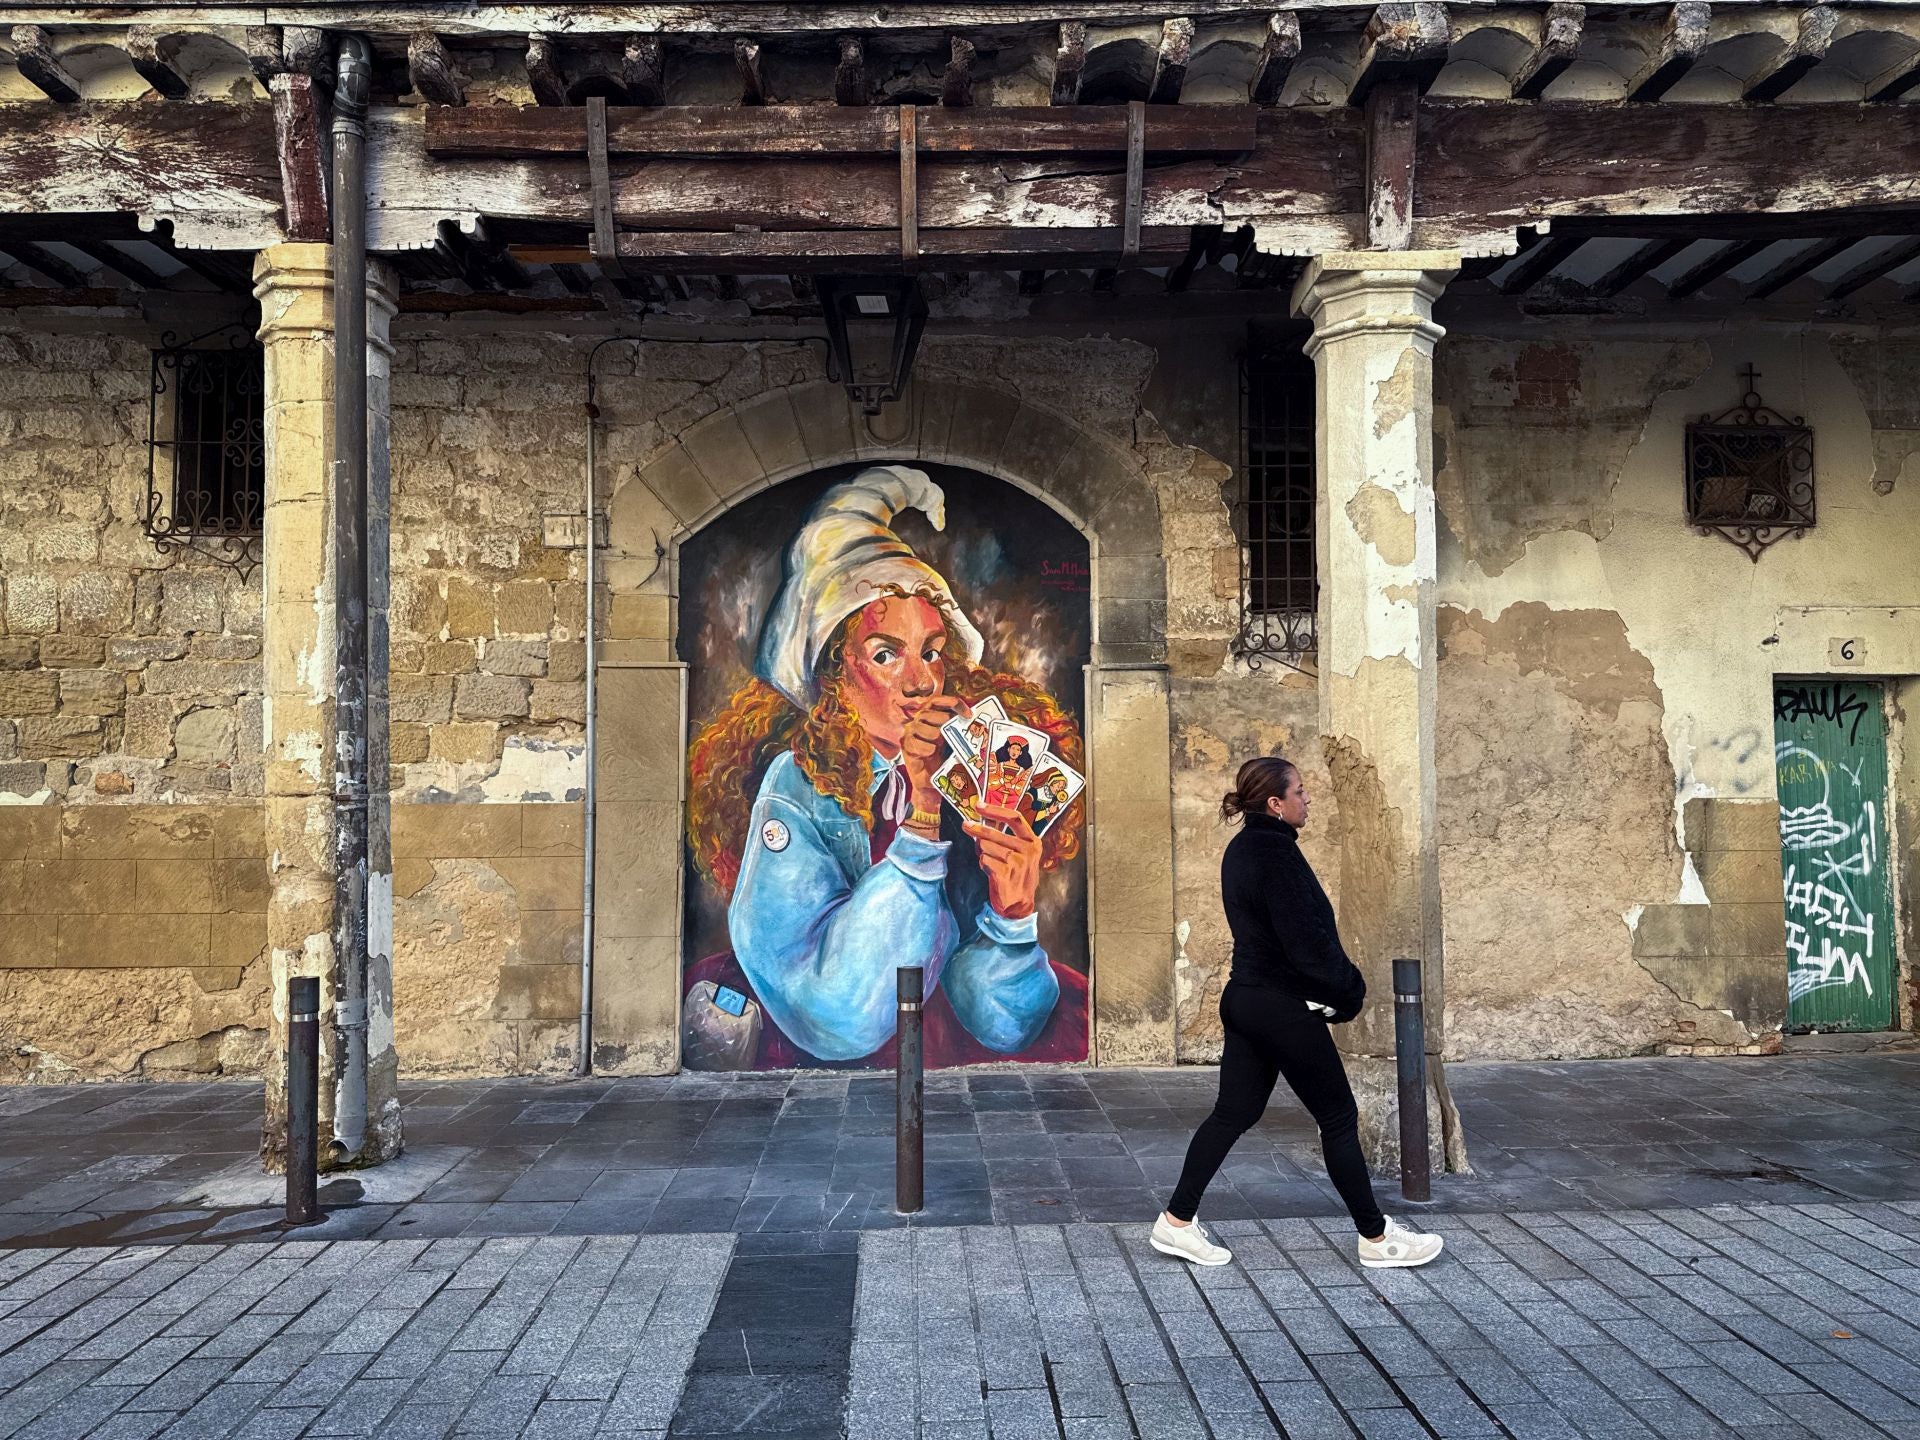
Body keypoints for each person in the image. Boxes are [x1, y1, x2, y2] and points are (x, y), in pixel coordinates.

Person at [684, 465, 1088, 1068]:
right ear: (834, 674)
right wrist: (922, 816)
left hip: (946, 1046)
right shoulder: (796, 785)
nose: (922, 682)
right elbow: (840, 1012)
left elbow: (1001, 1023)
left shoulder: (970, 773)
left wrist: (1011, 916)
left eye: (932, 652)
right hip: (831, 1055)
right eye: (885, 655)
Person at [1149, 756, 1444, 1271]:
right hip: (1278, 1005)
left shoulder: (1243, 848)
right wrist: (1349, 991)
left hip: (1245, 997)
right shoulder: (1275, 853)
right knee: (1338, 1116)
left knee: (1234, 1113)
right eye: (1300, 791)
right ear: (1275, 803)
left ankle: (1176, 1222)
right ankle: (1376, 1238)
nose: (1308, 799)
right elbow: (1306, 942)